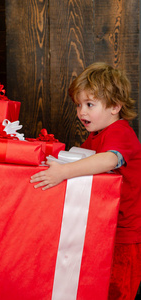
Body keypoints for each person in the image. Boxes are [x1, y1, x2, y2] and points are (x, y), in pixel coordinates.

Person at [30, 62, 141, 299]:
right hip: (105, 228)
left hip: (125, 234)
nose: (82, 112)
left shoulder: (120, 132)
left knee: (117, 291)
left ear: (115, 106)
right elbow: (78, 161)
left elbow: (109, 161)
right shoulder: (96, 136)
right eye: (79, 105)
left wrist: (61, 172)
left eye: (90, 104)